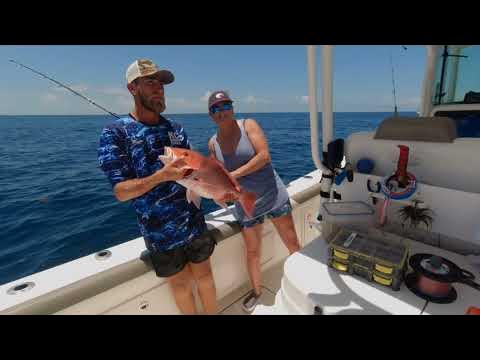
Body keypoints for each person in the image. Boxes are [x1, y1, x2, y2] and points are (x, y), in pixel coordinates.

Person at [98, 59, 218, 315]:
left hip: (193, 222)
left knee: (206, 277)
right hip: (160, 233)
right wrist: (159, 176)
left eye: (161, 83)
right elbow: (120, 191)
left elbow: (195, 172)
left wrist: (216, 187)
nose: (159, 88)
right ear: (133, 88)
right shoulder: (115, 133)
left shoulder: (176, 129)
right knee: (182, 286)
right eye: (150, 81)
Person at [207, 90, 301, 312]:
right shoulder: (213, 143)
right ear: (211, 115)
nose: (221, 111)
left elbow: (264, 156)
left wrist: (234, 176)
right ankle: (257, 291)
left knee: (293, 244)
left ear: (232, 108)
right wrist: (219, 191)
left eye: (225, 106)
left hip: (273, 195)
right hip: (245, 204)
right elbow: (217, 175)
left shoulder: (248, 125)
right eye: (216, 109)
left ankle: (301, 285)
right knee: (252, 252)